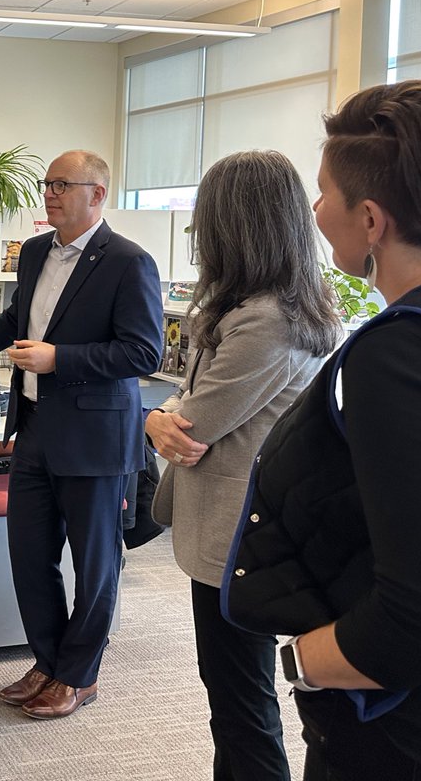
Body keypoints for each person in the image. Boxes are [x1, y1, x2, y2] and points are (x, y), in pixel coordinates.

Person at [223, 80, 421, 780]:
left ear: (371, 220)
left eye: (323, 192)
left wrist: (302, 662)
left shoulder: (404, 355)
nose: (314, 210)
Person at [0, 150, 162, 719]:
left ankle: (79, 675)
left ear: (97, 195)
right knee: (29, 556)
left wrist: (61, 358)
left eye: (62, 185)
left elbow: (143, 352)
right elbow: (16, 322)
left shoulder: (129, 262)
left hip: (95, 440)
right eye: (47, 184)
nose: (50, 194)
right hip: (32, 429)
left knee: (95, 565)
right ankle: (49, 661)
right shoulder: (35, 252)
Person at [146, 151, 341, 780]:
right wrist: (158, 417)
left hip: (241, 534)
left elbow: (195, 423)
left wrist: (160, 419)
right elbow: (183, 400)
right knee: (230, 694)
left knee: (240, 700)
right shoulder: (259, 307)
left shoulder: (267, 321)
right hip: (235, 529)